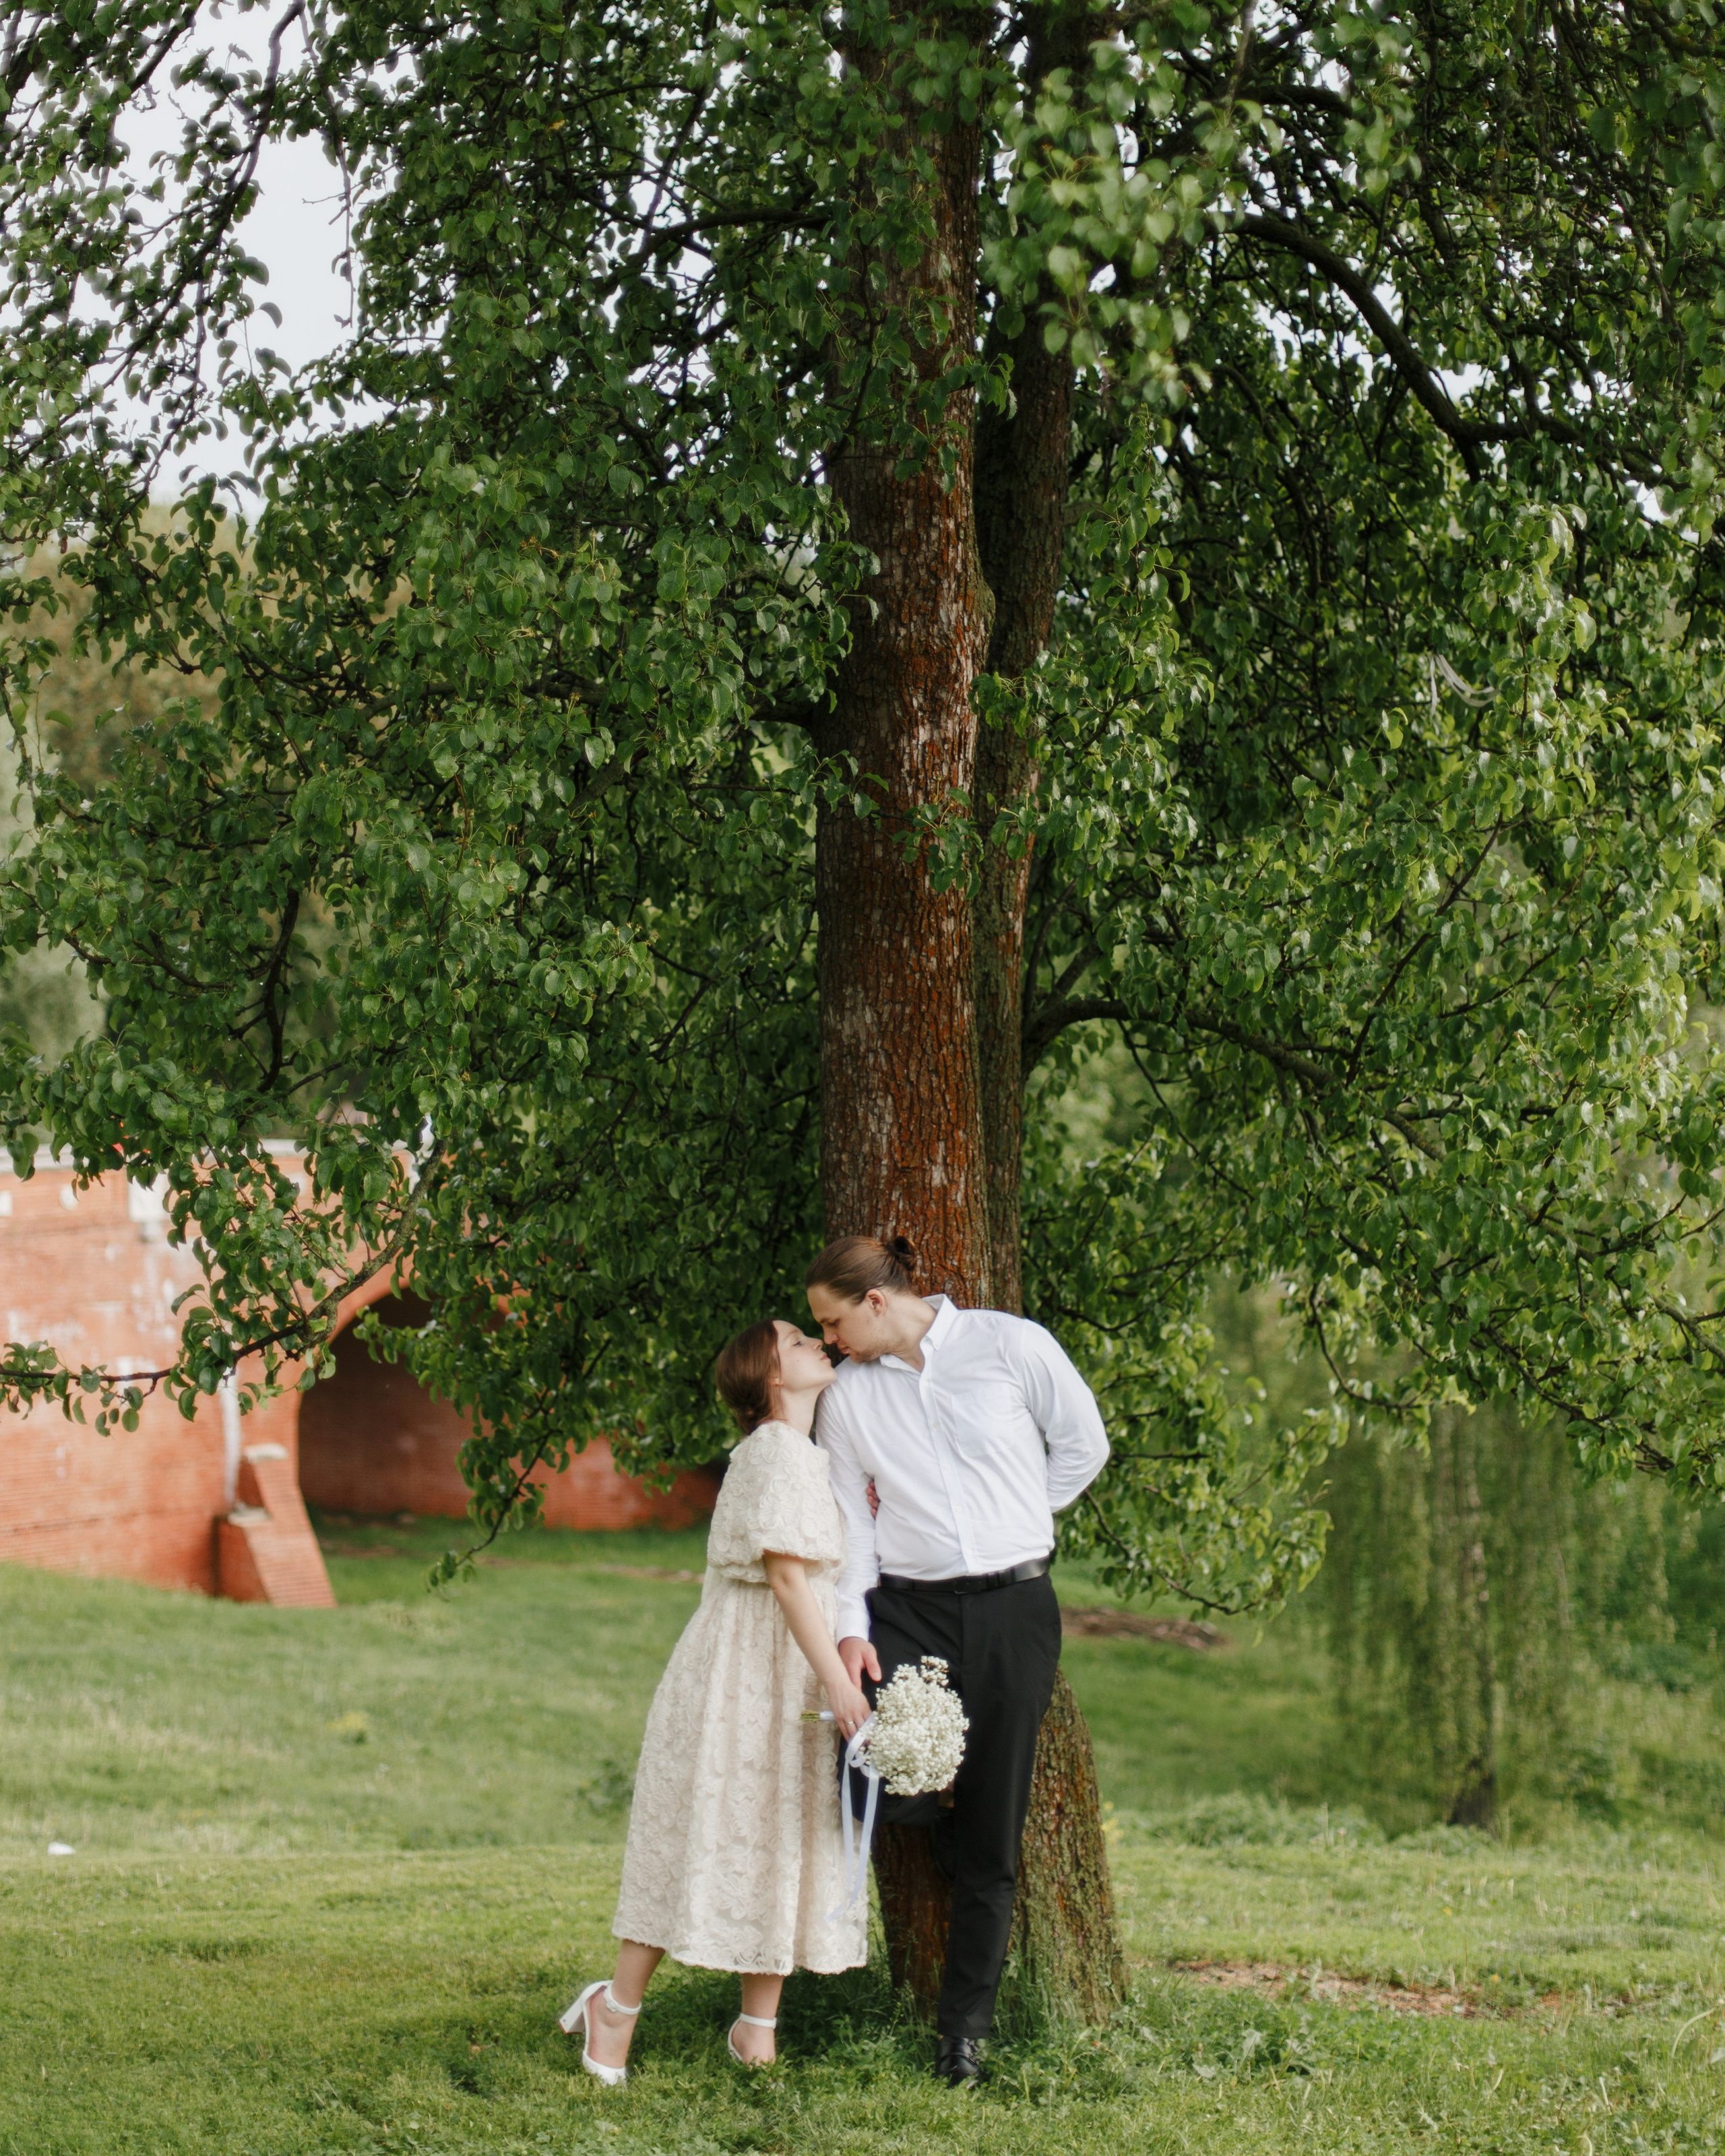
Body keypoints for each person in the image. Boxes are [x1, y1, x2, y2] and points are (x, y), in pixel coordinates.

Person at [808, 1234, 1109, 2088]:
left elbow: (1083, 1446)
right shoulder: (850, 1396)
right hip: (908, 1609)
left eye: (832, 1320)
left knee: (994, 1831)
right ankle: (936, 1801)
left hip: (1017, 1607)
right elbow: (850, 1523)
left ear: (874, 1301)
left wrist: (1013, 1514)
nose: (828, 1340)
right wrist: (848, 1627)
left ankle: (963, 2035)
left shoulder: (1011, 1344)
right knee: (863, 1775)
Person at [559, 1317, 872, 2085]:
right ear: (770, 1376)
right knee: (699, 1831)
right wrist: (835, 1678)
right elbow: (788, 1576)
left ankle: (756, 2028)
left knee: (781, 1834)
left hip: (785, 1667)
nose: (814, 1344)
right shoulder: (771, 1449)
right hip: (745, 1672)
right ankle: (615, 2010)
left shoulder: (801, 1453)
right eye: (797, 1340)